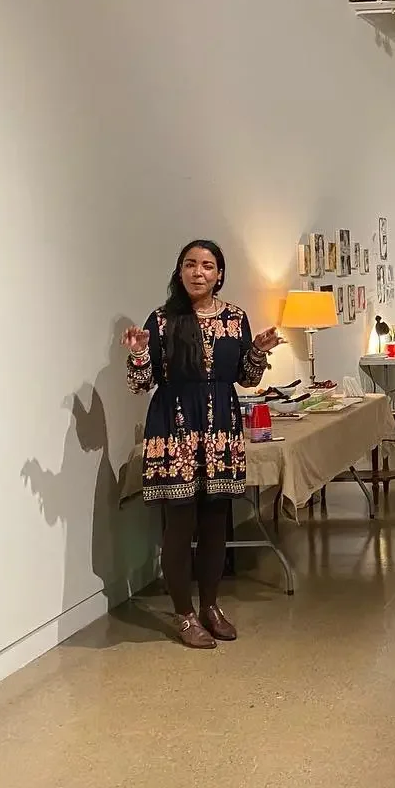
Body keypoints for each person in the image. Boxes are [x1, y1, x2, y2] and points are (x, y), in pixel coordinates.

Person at [124, 239, 282, 649]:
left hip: (220, 426)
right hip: (174, 425)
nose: (199, 272)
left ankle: (211, 606)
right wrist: (140, 354)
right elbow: (141, 385)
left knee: (215, 520)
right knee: (179, 523)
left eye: (207, 266)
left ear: (219, 274)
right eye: (190, 265)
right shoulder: (161, 321)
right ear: (179, 272)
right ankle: (184, 614)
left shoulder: (235, 318)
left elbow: (247, 379)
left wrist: (259, 352)